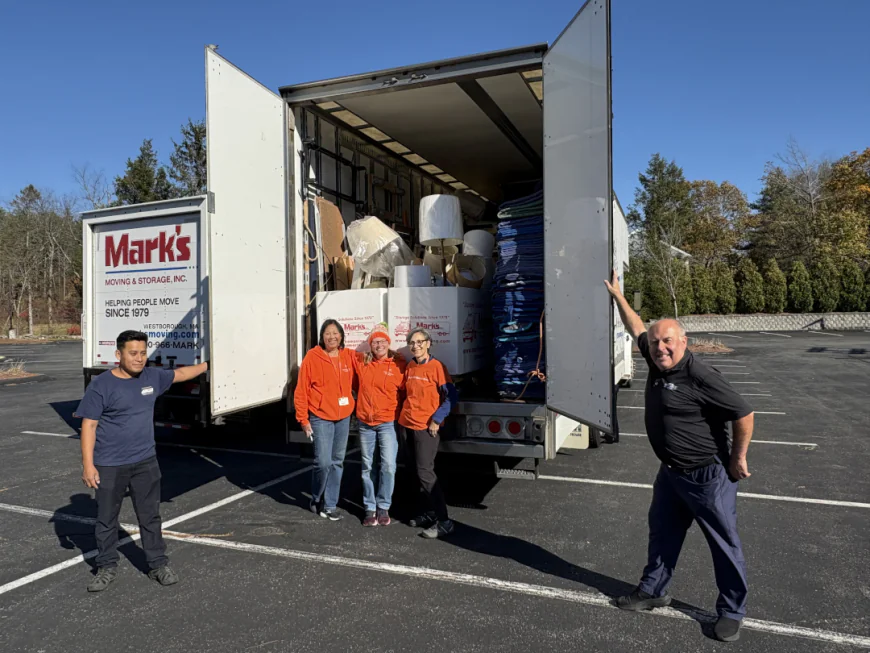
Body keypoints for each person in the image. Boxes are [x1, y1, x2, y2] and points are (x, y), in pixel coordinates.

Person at [605, 270, 754, 643]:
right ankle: (653, 590)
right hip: (671, 474)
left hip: (708, 477)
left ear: (684, 341)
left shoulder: (701, 375)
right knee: (663, 533)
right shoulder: (656, 360)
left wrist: (738, 458)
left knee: (723, 543)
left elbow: (744, 412)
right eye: (656, 343)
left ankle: (731, 610)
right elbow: (636, 324)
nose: (661, 348)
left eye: (668, 341)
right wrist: (618, 297)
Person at [76, 330, 208, 593]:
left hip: (145, 462)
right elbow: (89, 426)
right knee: (106, 518)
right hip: (109, 464)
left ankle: (158, 564)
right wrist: (88, 465)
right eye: (133, 353)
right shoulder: (101, 385)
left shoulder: (152, 376)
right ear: (118, 354)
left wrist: (209, 363)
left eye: (143, 353)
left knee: (150, 516)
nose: (139, 359)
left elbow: (181, 374)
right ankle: (106, 566)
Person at [294, 319, 358, 521]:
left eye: (335, 333)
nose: (331, 337)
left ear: (341, 336)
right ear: (322, 337)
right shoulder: (312, 357)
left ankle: (330, 505)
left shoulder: (349, 356)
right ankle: (316, 496)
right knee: (323, 462)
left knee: (337, 461)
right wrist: (303, 419)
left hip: (343, 416)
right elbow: (301, 390)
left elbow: (369, 365)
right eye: (327, 334)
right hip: (320, 416)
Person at [398, 327, 458, 539]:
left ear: (428, 343)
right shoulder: (410, 366)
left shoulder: (437, 367)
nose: (416, 346)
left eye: (420, 342)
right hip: (407, 424)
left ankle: (444, 521)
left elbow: (451, 397)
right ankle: (429, 512)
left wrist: (437, 419)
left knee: (425, 472)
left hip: (426, 427)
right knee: (414, 471)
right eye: (412, 343)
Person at [355, 322, 406, 527]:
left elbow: (405, 392)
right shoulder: (362, 363)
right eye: (375, 341)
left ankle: (383, 506)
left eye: (382, 341)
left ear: (388, 343)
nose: (379, 345)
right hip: (365, 423)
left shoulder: (398, 365)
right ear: (370, 344)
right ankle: (370, 508)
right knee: (367, 466)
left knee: (388, 465)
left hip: (387, 422)